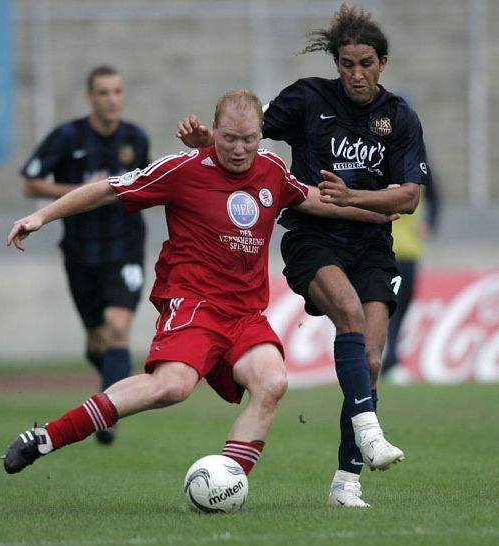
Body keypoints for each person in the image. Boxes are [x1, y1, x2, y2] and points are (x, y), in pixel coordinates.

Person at [2, 90, 397, 482]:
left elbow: (310, 198)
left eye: (248, 139)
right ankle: (48, 436)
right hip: (196, 305)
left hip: (245, 315)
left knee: (272, 382)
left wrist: (373, 211)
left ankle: (227, 483)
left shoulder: (272, 171)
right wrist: (42, 216)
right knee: (171, 387)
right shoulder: (184, 169)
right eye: (229, 138)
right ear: (214, 129)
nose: (239, 149)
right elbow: (109, 187)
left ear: (261, 134)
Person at [176, 4, 431, 507]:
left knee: (372, 358)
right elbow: (249, 135)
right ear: (336, 62)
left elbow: (409, 197)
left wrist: (354, 197)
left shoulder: (399, 116)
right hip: (312, 238)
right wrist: (214, 143)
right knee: (350, 315)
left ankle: (345, 483)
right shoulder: (308, 98)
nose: (356, 74)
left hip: (373, 244)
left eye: (365, 64)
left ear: (383, 62)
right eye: (346, 64)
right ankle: (372, 433)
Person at [19, 66, 150, 445]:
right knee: (98, 340)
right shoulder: (67, 136)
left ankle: (107, 416)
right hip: (81, 251)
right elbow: (30, 183)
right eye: (104, 93)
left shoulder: (135, 138)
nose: (112, 99)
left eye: (118, 92)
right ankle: (109, 377)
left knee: (118, 327)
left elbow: (144, 184)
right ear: (91, 97)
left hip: (125, 247)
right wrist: (81, 190)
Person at [381, 179, 440, 384]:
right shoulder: (378, 161)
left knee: (403, 306)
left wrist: (430, 222)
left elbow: (435, 196)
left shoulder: (419, 166)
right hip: (384, 248)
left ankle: (390, 360)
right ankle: (390, 361)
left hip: (410, 250)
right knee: (389, 306)